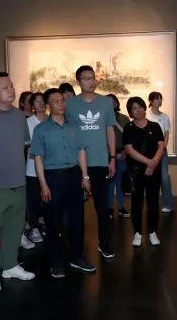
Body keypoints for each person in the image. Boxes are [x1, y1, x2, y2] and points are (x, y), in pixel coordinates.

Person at [0, 71, 36, 293]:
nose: (11, 90)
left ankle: (10, 265)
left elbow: (24, 146)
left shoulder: (19, 116)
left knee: (15, 226)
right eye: (5, 87)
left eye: (11, 86)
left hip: (18, 181)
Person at [30, 88, 91, 278]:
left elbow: (81, 151)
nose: (61, 104)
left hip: (74, 176)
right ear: (48, 105)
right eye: (56, 101)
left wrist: (85, 177)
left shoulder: (74, 126)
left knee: (77, 220)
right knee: (53, 222)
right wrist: (43, 185)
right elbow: (38, 158)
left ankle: (78, 257)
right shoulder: (41, 129)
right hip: (53, 178)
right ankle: (55, 262)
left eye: (62, 100)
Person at [65, 65, 116, 261]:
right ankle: (76, 249)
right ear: (78, 81)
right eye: (86, 78)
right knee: (76, 210)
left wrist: (112, 157)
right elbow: (66, 132)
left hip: (100, 161)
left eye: (93, 77)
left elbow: (110, 131)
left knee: (103, 207)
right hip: (76, 163)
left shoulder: (105, 103)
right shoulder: (70, 104)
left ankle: (105, 243)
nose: (91, 81)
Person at [122, 96, 166, 247]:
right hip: (136, 172)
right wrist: (148, 162)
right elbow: (129, 149)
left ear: (144, 108)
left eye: (140, 107)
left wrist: (153, 164)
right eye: (134, 108)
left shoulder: (155, 126)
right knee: (137, 203)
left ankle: (152, 231)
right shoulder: (128, 128)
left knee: (153, 202)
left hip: (154, 170)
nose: (139, 110)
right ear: (130, 112)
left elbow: (161, 146)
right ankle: (137, 233)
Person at [24, 91, 48, 243]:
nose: (41, 103)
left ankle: (44, 223)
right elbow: (26, 144)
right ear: (32, 105)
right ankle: (33, 227)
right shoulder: (28, 122)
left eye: (43, 100)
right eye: (37, 101)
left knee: (47, 198)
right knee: (33, 199)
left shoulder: (51, 120)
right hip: (32, 168)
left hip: (49, 167)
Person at [147, 92, 175, 213]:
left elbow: (166, 134)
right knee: (150, 178)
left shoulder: (165, 117)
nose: (159, 101)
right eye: (157, 99)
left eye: (160, 99)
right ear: (151, 101)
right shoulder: (146, 115)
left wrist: (163, 147)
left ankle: (168, 204)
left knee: (164, 177)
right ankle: (151, 204)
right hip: (149, 152)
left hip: (162, 150)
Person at [107, 93, 130, 219]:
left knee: (120, 182)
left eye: (113, 101)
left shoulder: (124, 118)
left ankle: (121, 207)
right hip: (108, 155)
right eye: (108, 102)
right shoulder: (101, 118)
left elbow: (129, 137)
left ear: (116, 103)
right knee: (110, 183)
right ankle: (109, 208)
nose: (111, 104)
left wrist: (125, 152)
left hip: (122, 154)